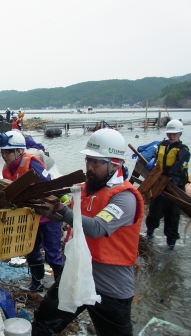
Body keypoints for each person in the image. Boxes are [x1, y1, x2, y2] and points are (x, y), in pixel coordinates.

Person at [31, 128, 144, 336]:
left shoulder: (125, 199)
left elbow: (97, 228)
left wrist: (61, 210)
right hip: (77, 274)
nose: (89, 167)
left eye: (96, 162)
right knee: (43, 321)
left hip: (110, 288)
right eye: (88, 161)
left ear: (115, 163)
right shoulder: (83, 190)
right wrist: (51, 211)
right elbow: (73, 220)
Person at [0, 130, 64, 292]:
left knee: (53, 254)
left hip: (48, 216)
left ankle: (60, 289)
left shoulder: (32, 164)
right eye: (3, 152)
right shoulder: (7, 168)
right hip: (30, 217)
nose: (5, 155)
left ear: (19, 151)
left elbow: (48, 188)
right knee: (31, 250)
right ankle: (36, 283)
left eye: (8, 152)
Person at [145, 119, 190, 250]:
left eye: (174, 134)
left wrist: (169, 183)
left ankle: (171, 245)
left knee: (172, 216)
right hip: (159, 185)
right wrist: (153, 160)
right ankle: (149, 234)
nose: (171, 136)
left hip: (175, 187)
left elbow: (177, 168)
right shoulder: (162, 145)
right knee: (154, 213)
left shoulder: (184, 150)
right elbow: (156, 155)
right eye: (169, 133)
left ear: (180, 134)